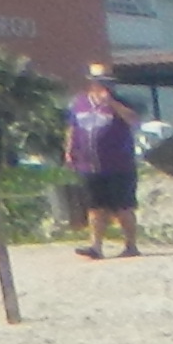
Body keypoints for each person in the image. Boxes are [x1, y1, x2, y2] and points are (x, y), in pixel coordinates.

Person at [64, 62, 141, 260]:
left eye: (107, 82)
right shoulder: (79, 103)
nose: (104, 86)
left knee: (123, 207)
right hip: (89, 165)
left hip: (119, 164)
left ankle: (130, 245)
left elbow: (133, 120)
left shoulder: (122, 101)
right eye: (99, 81)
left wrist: (112, 104)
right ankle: (96, 246)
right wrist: (69, 150)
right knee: (95, 207)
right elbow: (72, 128)